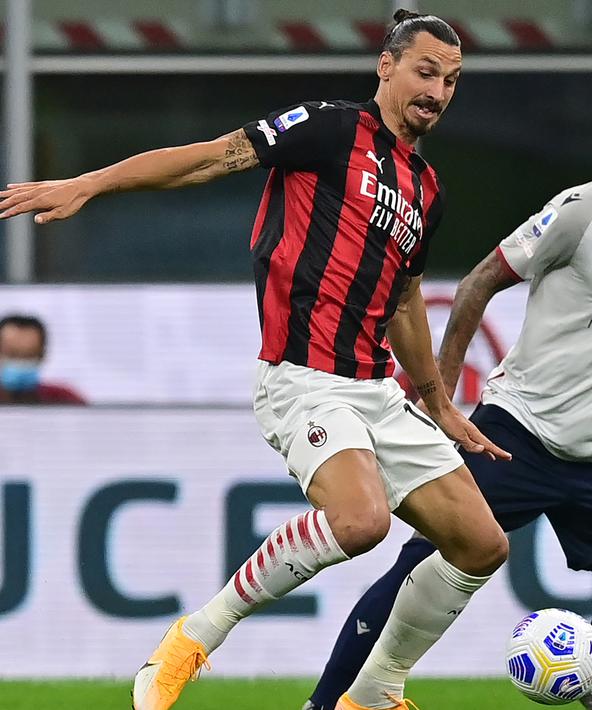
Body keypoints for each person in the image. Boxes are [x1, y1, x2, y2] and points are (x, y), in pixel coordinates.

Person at [0, 12, 513, 710]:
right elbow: (212, 157)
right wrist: (90, 184)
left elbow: (403, 299)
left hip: (374, 389)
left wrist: (438, 400)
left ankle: (373, 692)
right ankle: (195, 636)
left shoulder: (426, 188)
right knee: (361, 522)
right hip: (303, 379)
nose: (437, 92)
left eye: (450, 81)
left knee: (481, 544)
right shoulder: (329, 129)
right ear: (386, 66)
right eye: (426, 72)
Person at [303, 75, 592, 710]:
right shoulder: (583, 210)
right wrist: (441, 395)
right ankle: (325, 703)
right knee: (420, 566)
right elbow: (478, 283)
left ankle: (577, 662)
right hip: (517, 431)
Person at [0, 314, 86, 405]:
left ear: (42, 355)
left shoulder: (66, 400)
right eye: (12, 355)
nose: (21, 362)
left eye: (29, 355)